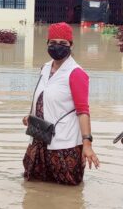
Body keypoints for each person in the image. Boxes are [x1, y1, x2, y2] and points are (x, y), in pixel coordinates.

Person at [22, 22, 100, 185]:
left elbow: (83, 111)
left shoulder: (76, 73)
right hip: (39, 138)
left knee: (67, 191)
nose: (57, 47)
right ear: (47, 44)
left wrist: (87, 144)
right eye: (53, 43)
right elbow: (43, 96)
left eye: (63, 43)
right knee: (33, 187)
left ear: (71, 45)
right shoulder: (45, 68)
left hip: (65, 144)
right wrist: (31, 116)